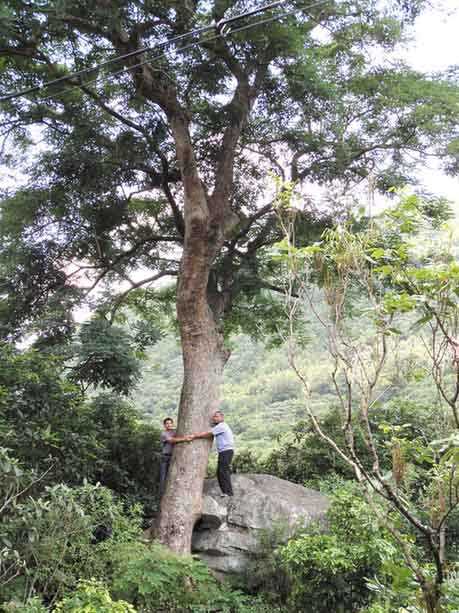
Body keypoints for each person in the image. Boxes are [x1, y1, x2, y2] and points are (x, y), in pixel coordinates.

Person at [190, 411, 234, 497]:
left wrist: (194, 436)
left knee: (223, 471)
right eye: (214, 417)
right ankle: (226, 491)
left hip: (226, 451)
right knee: (220, 471)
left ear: (222, 418)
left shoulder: (222, 426)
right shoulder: (220, 426)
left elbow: (208, 434)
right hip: (224, 451)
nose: (215, 418)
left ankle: (228, 492)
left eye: (217, 417)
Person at [159, 417, 191, 497]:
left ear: (172, 424)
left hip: (173, 456)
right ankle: (162, 493)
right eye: (167, 423)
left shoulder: (175, 431)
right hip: (165, 457)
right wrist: (184, 439)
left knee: (173, 474)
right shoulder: (163, 433)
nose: (169, 425)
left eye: (170, 423)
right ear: (164, 425)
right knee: (163, 475)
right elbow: (171, 440)